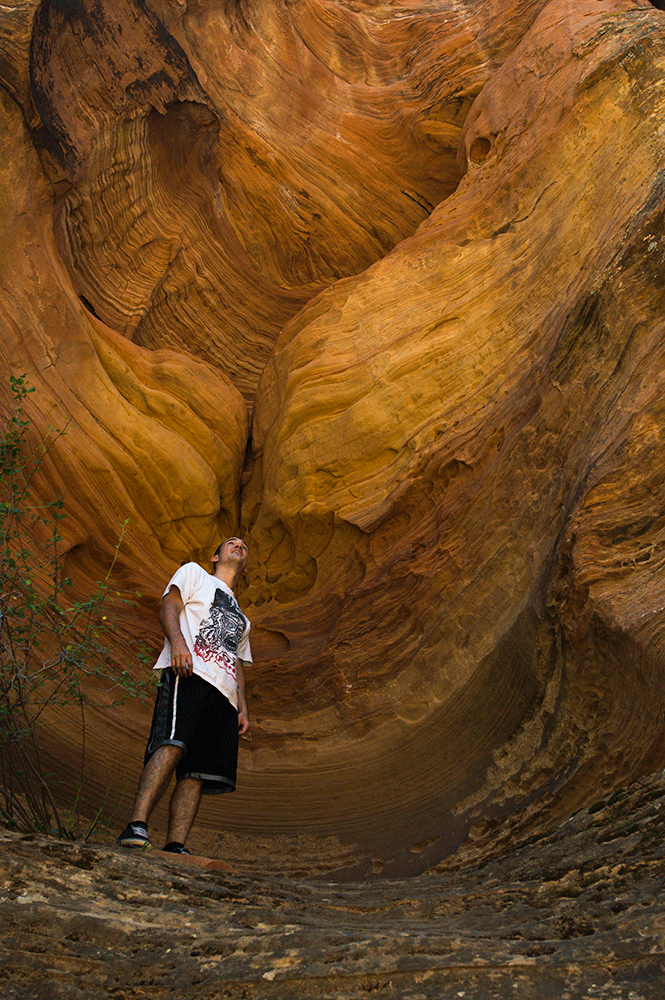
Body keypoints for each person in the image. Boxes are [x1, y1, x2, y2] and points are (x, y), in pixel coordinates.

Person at [118, 537, 251, 855]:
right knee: (172, 744)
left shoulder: (244, 620)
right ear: (214, 556)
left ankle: (175, 845)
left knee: (196, 773)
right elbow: (169, 605)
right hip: (190, 673)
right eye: (231, 543)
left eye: (244, 546)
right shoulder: (195, 574)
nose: (239, 546)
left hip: (224, 696)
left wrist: (242, 707)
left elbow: (236, 660)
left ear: (246, 565)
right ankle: (136, 825)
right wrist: (178, 644)